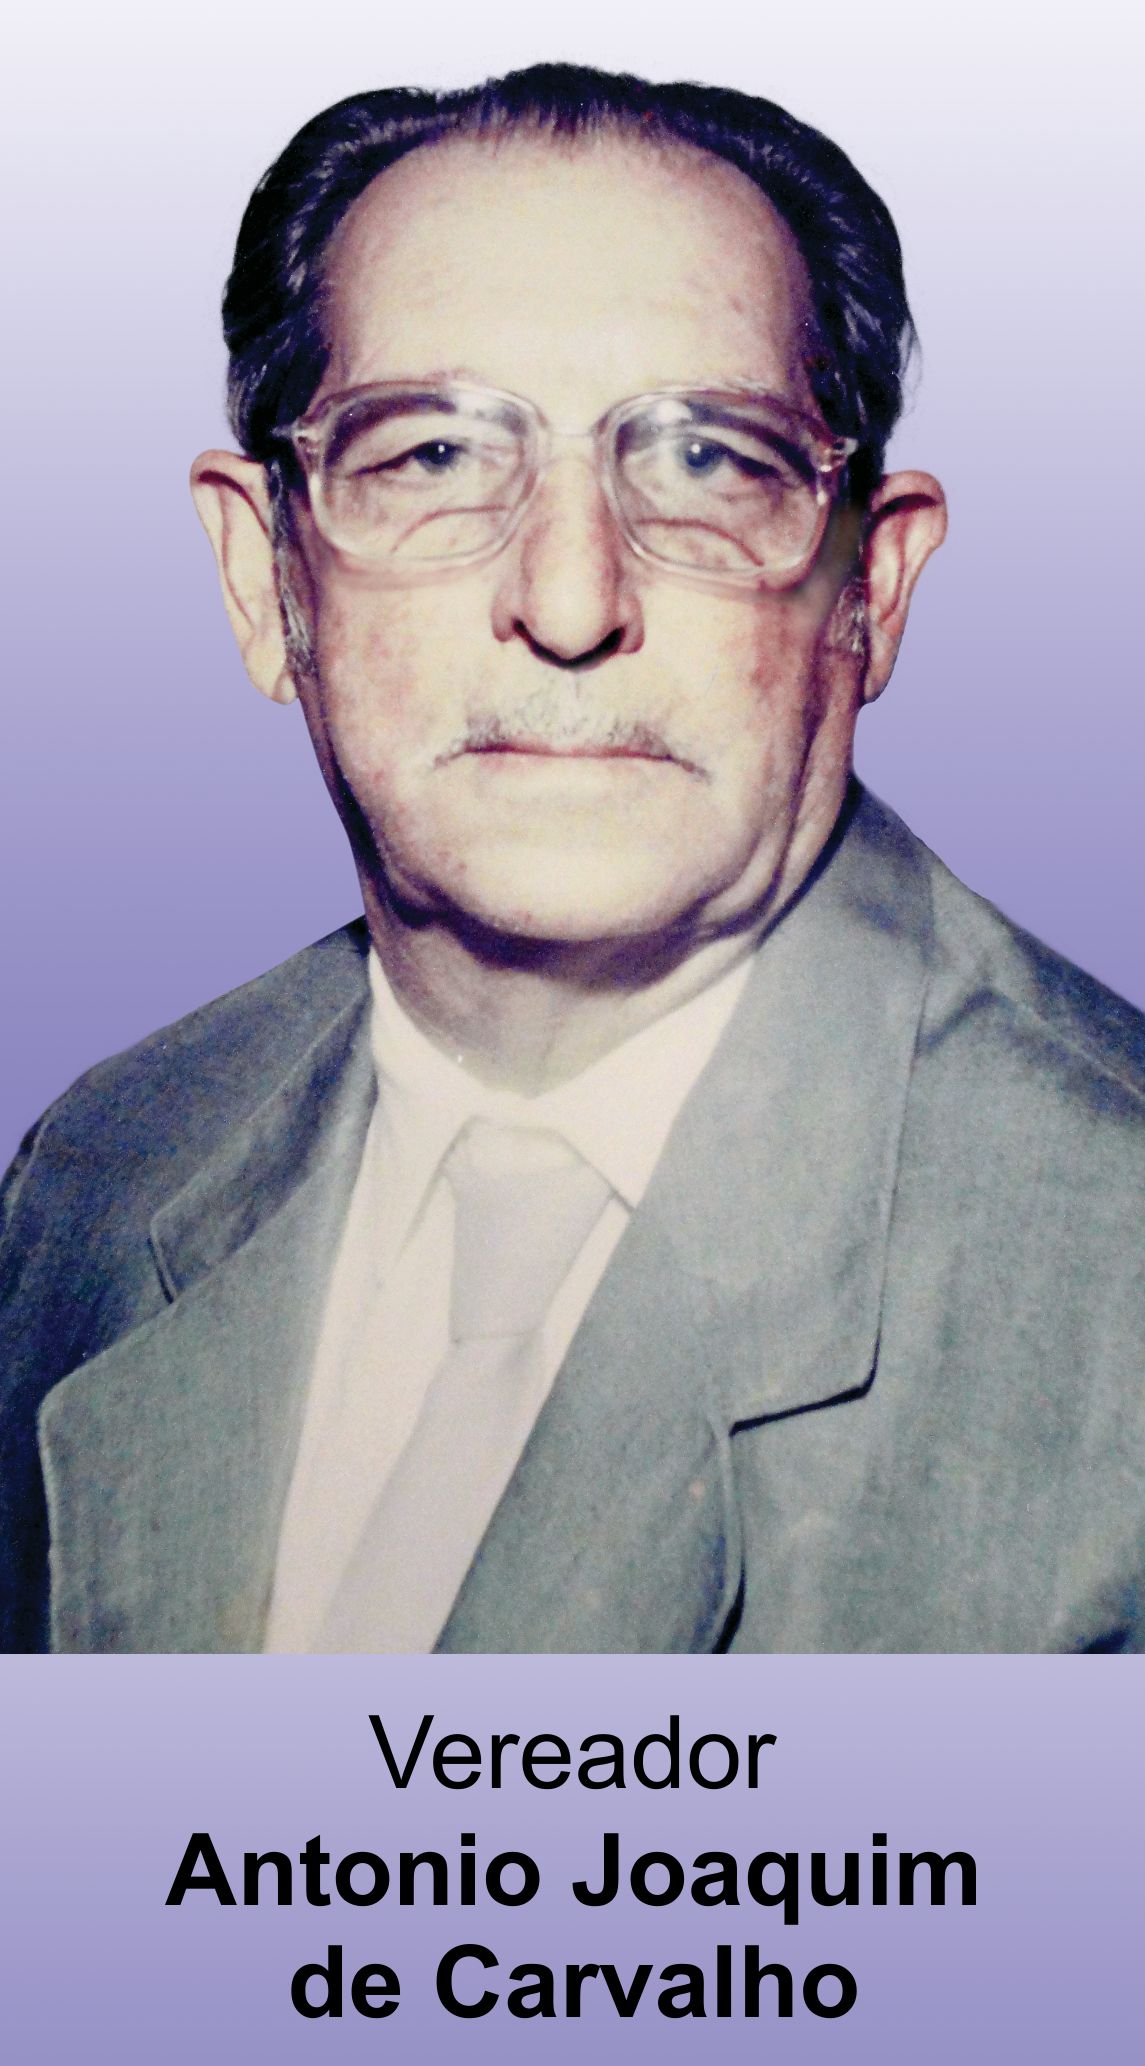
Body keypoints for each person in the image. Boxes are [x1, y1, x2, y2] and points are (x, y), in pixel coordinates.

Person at [2, 63, 1142, 1656]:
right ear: (266, 582)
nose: (569, 598)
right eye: (430, 456)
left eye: (707, 462)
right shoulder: (96, 1169)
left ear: (870, 589)